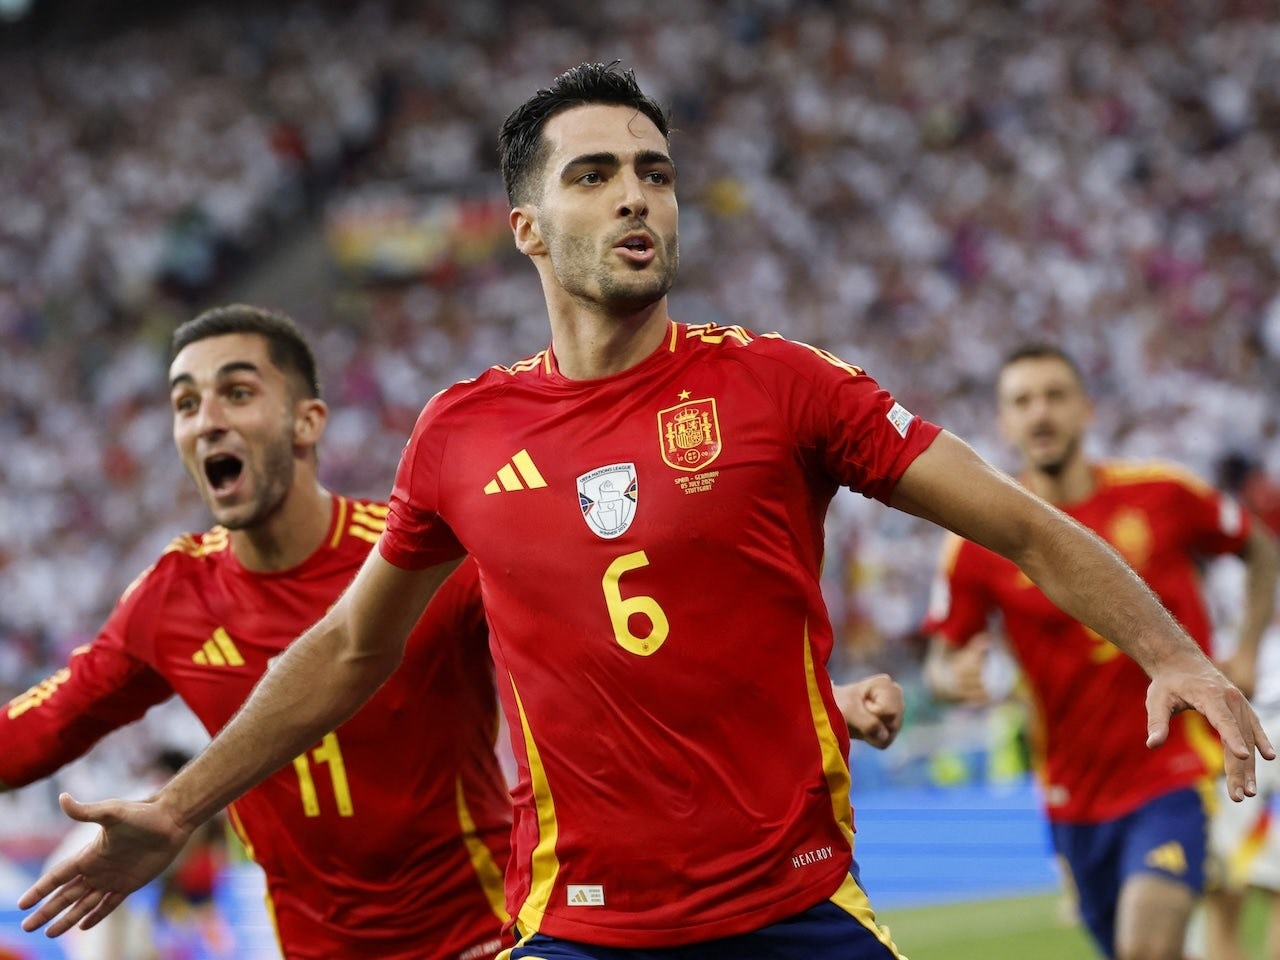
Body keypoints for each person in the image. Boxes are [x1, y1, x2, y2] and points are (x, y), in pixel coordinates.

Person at [18, 62, 1272, 960]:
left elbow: (1023, 525)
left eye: (655, 174)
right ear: (526, 227)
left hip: (793, 914)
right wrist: (178, 811)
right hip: (577, 929)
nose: (637, 197)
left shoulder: (783, 384)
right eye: (597, 174)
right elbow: (352, 649)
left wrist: (1172, 649)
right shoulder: (460, 436)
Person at [1, 304, 515, 960]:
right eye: (185, 405)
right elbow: (36, 731)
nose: (206, 420)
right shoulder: (173, 597)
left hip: (484, 940)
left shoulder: (421, 558)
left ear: (308, 422)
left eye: (237, 393)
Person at [905, 343, 1279, 960]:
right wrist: (955, 677)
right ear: (1003, 422)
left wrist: (1245, 647)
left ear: (1086, 409)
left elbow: (1258, 548)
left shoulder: (1162, 494)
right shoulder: (977, 544)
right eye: (1022, 402)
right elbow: (943, 661)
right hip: (1072, 797)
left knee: (1147, 946)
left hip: (1178, 770)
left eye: (1054, 396)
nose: (1040, 413)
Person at [1189, 453, 1280, 960]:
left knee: (1227, 890)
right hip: (1240, 718)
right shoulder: (1248, 555)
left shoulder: (1224, 563)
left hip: (1243, 720)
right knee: (1232, 888)